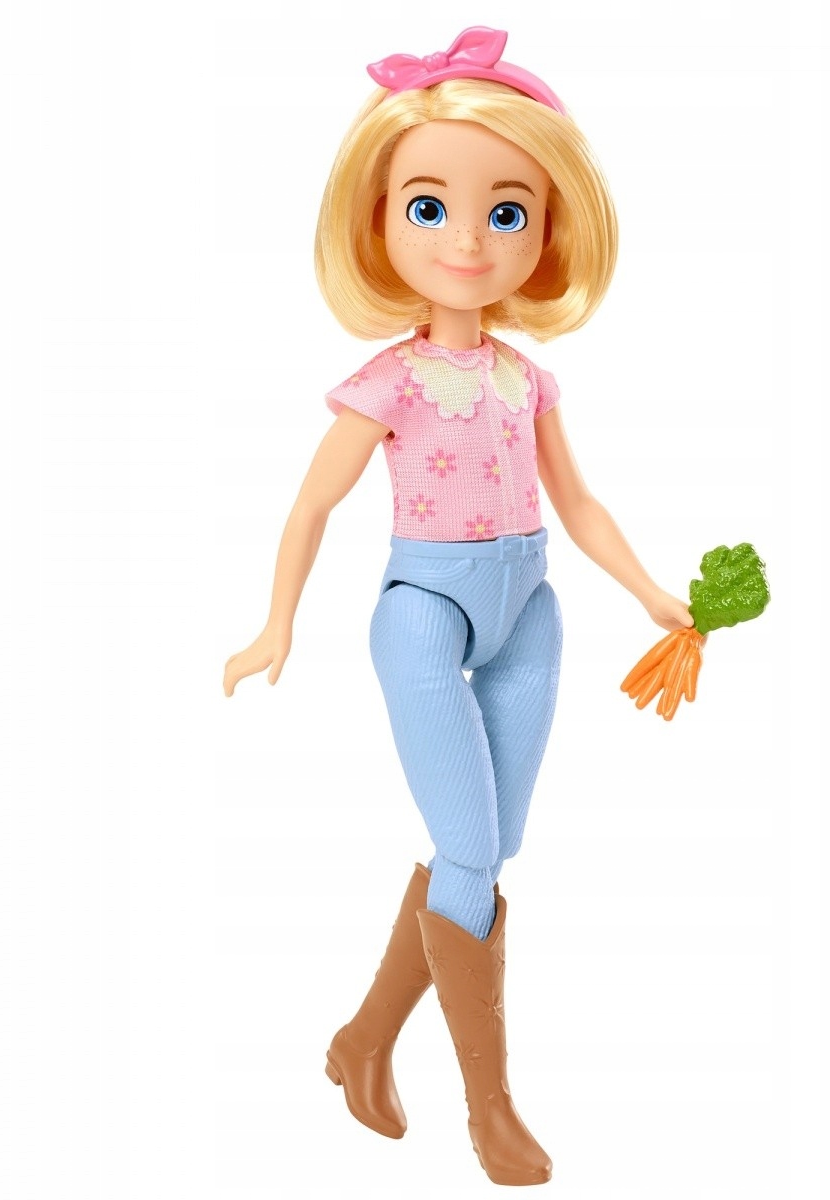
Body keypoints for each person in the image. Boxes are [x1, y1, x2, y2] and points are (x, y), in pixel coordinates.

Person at [223, 27, 693, 1187]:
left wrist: (650, 593)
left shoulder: (528, 378)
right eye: (429, 208)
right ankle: (491, 1108)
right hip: (425, 607)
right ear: (379, 221)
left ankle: (362, 1042)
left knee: (482, 847)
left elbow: (579, 502)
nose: (470, 240)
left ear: (549, 228)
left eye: (507, 211)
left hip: (530, 605)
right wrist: (276, 623)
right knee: (473, 850)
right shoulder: (385, 381)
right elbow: (312, 505)